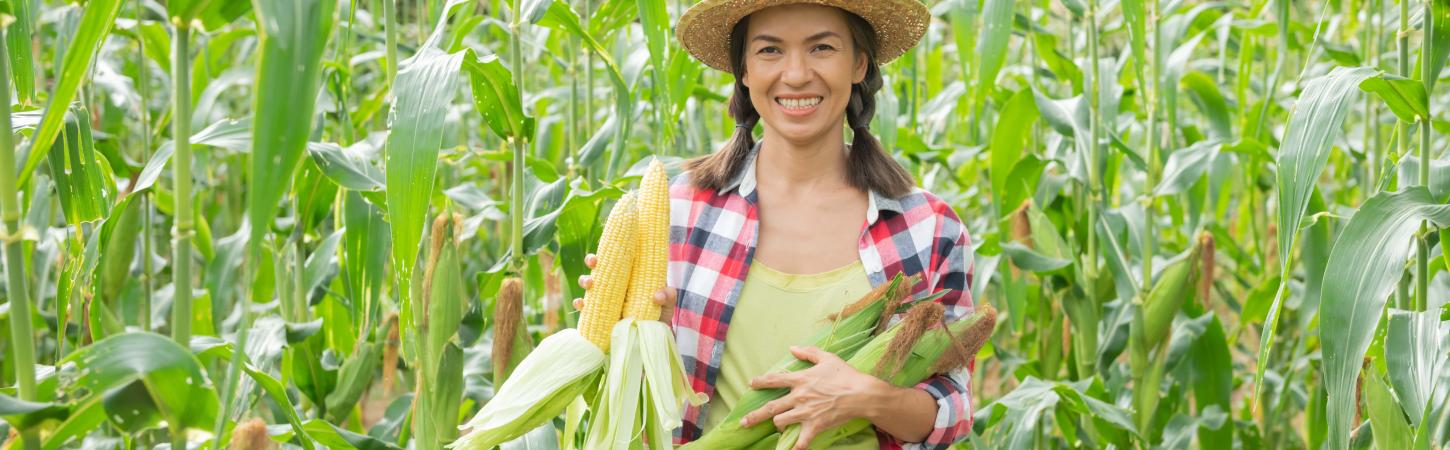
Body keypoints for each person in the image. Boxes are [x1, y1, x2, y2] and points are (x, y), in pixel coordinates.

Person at [575, 1, 977, 448]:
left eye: (822, 47)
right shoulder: (682, 212)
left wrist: (865, 397)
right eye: (770, 51)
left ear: (859, 64)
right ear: (743, 70)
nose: (797, 73)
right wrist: (640, 332)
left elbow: (952, 410)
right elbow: (633, 405)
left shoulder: (928, 230)